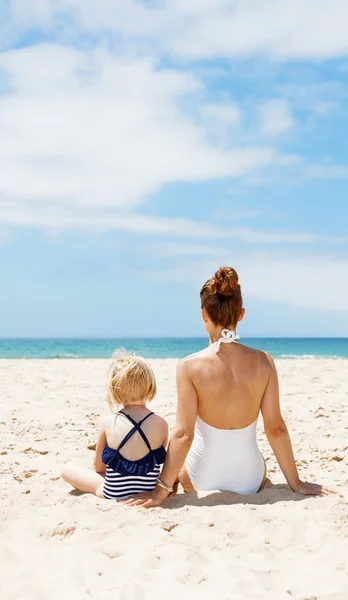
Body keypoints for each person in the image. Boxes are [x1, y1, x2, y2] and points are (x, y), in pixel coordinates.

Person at [124, 266, 336, 508]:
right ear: (242, 314)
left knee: (179, 462)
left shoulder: (188, 366)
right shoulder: (264, 361)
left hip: (201, 479)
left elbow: (183, 435)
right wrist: (296, 484)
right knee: (259, 460)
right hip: (251, 481)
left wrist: (160, 491)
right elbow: (276, 429)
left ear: (204, 315)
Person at [62, 351, 168, 499]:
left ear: (114, 389)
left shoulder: (108, 422)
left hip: (114, 492)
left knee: (67, 470)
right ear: (151, 386)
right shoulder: (162, 424)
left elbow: (99, 467)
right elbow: (163, 467)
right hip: (148, 489)